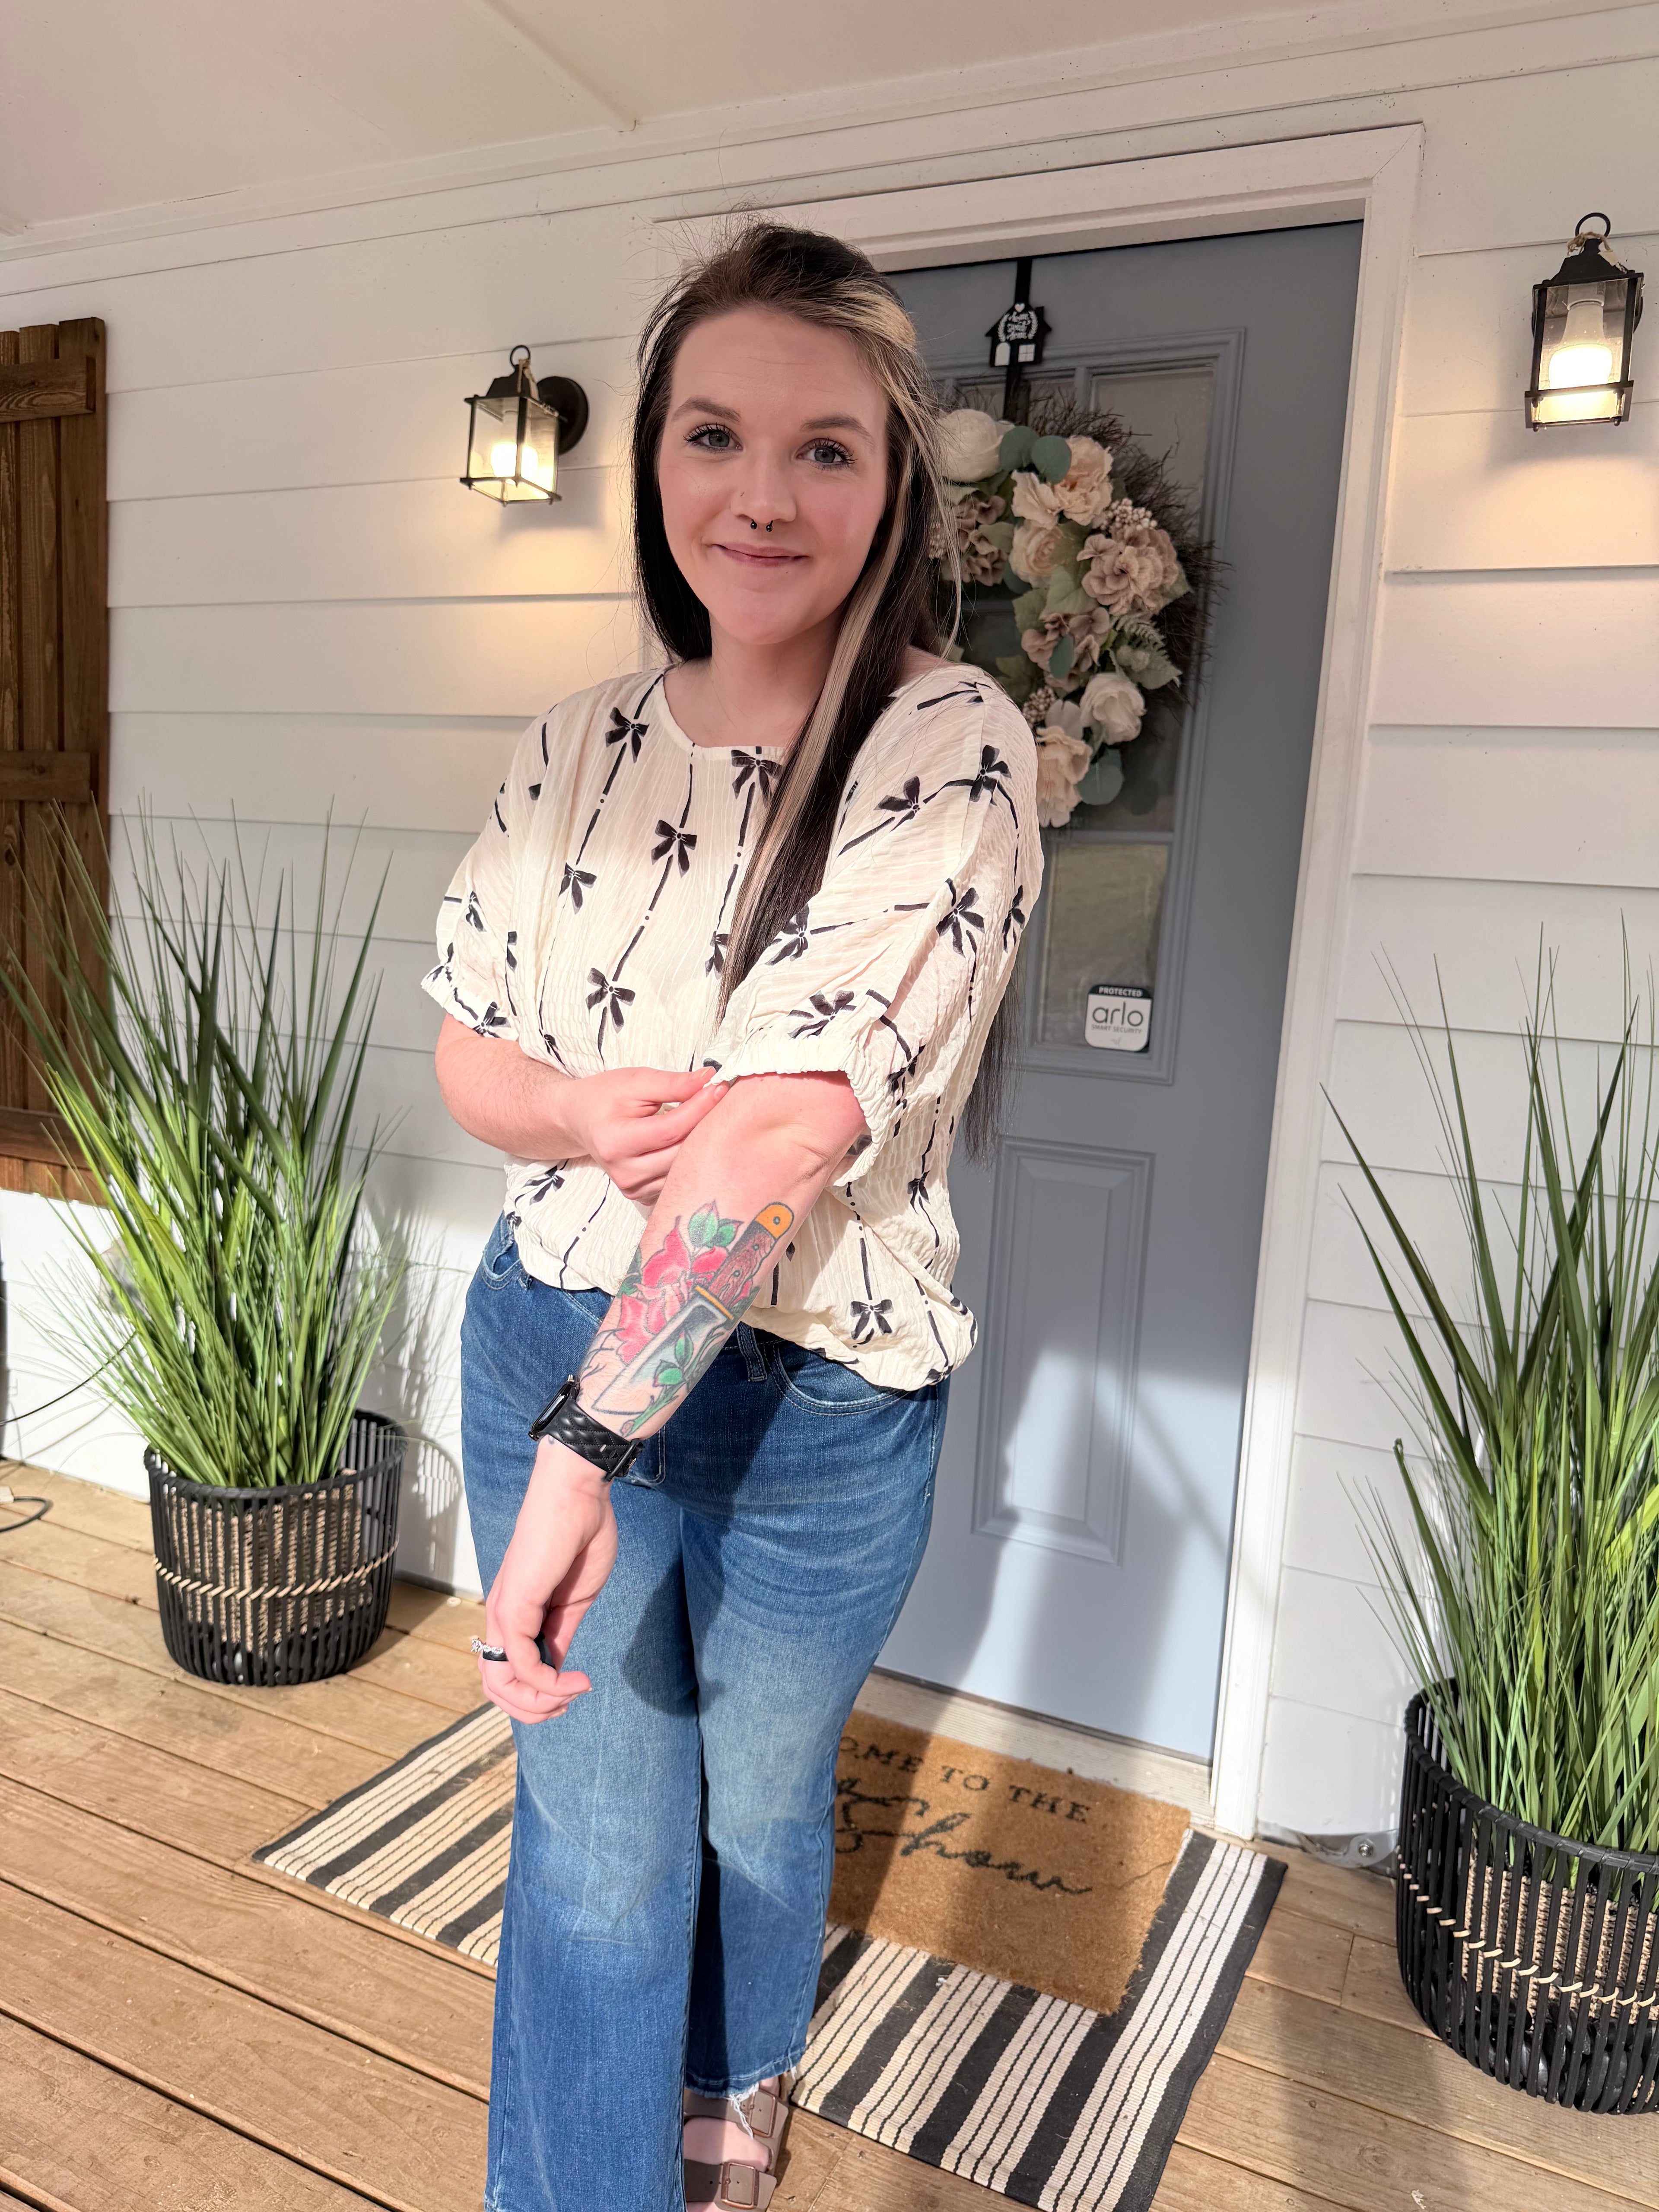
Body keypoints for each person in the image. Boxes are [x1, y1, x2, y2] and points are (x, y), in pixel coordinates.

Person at [427, 221, 1041, 2212]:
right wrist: (569, 1107)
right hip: (553, 1322)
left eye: (824, 447)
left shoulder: (947, 742)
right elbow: (465, 1045)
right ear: (653, 461)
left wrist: (587, 1450)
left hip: (812, 1409)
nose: (761, 494)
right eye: (713, 434)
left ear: (894, 481)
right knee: (602, 1845)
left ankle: (734, 2082)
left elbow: (781, 1133)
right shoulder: (571, 747)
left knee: (759, 1802)